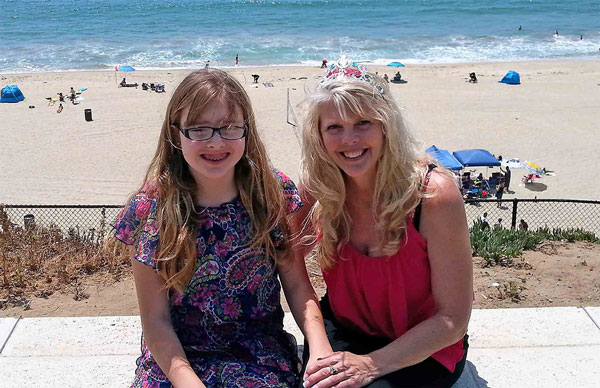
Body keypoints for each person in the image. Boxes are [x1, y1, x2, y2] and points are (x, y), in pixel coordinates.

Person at [110, 69, 331, 387]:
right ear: (176, 134)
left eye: (229, 128)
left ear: (246, 131)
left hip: (257, 355)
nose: (215, 142)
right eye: (199, 129)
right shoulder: (148, 210)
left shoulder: (273, 193)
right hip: (176, 359)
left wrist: (319, 348)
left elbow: (297, 286)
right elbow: (156, 322)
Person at [297, 57, 472, 387]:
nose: (350, 139)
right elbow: (290, 267)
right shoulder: (318, 187)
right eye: (334, 127)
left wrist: (369, 365)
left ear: (385, 125)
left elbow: (453, 318)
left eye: (363, 123)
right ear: (318, 136)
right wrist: (318, 343)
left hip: (423, 346)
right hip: (343, 329)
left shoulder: (432, 196)